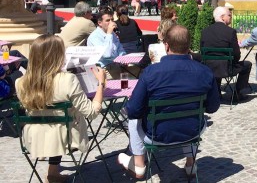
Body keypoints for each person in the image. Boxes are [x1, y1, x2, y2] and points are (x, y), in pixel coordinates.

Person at [118, 25, 220, 179]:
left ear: (166, 45)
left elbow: (133, 110)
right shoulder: (205, 71)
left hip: (156, 135)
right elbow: (212, 108)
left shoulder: (151, 72)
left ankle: (139, 164)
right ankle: (191, 163)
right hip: (192, 131)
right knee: (190, 115)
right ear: (189, 46)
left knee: (134, 119)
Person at [16, 35, 107, 182]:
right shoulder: (67, 79)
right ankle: (53, 172)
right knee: (60, 125)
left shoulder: (20, 82)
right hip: (65, 136)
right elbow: (91, 112)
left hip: (35, 136)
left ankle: (53, 172)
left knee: (54, 123)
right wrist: (100, 84)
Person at [200, 6, 252, 99]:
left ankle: (216, 92)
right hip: (227, 69)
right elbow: (236, 55)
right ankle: (238, 92)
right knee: (247, 64)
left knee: (217, 63)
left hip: (209, 68)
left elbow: (202, 50)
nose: (231, 16)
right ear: (222, 17)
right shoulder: (230, 31)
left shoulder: (205, 31)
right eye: (229, 15)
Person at [87, 10, 126, 74]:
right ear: (100, 23)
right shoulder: (95, 37)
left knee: (139, 72)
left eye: (112, 20)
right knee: (127, 80)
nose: (111, 23)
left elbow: (120, 48)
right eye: (108, 20)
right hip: (105, 69)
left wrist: (123, 58)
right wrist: (109, 34)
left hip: (117, 65)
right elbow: (107, 55)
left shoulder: (112, 33)